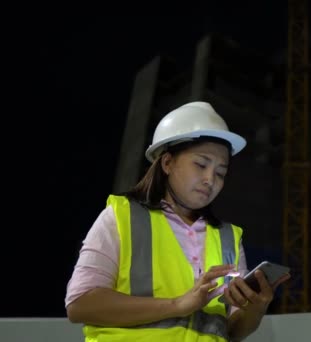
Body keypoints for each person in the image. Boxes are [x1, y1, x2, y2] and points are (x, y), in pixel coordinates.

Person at [65, 101, 290, 341]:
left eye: (220, 173)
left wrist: (255, 309)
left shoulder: (228, 238)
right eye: (201, 164)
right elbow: (80, 304)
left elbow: (232, 331)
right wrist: (178, 304)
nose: (209, 179)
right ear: (167, 163)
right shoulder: (121, 217)